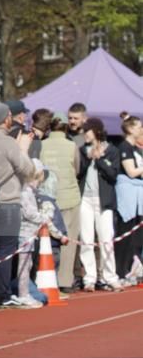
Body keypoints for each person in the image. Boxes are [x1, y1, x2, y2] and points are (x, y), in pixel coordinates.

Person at [0, 102, 35, 309]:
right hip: (8, 200)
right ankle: (2, 295)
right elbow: (27, 169)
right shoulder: (8, 142)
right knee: (6, 249)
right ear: (5, 118)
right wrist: (23, 149)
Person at [40, 112, 81, 292]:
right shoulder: (72, 146)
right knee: (68, 240)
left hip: (47, 197)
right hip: (69, 196)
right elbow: (77, 169)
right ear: (65, 127)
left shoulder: (41, 145)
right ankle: (65, 280)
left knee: (46, 239)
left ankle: (46, 278)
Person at [78, 117, 121, 291]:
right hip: (85, 200)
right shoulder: (82, 150)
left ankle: (110, 277)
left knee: (106, 239)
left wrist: (99, 160)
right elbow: (78, 172)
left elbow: (113, 175)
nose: (84, 134)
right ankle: (89, 278)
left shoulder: (112, 150)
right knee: (86, 239)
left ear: (95, 131)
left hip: (104, 201)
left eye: (86, 131)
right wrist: (88, 158)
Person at [17, 160, 68, 307]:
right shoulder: (26, 191)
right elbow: (29, 213)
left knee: (28, 264)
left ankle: (26, 292)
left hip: (30, 234)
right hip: (25, 234)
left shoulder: (31, 191)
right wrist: (44, 217)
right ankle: (23, 294)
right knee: (24, 265)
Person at [114, 114, 143, 283]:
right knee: (124, 234)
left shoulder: (134, 149)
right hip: (127, 198)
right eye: (139, 127)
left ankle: (128, 270)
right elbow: (131, 172)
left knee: (134, 236)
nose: (141, 130)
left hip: (137, 198)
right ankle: (120, 271)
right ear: (130, 129)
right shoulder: (124, 147)